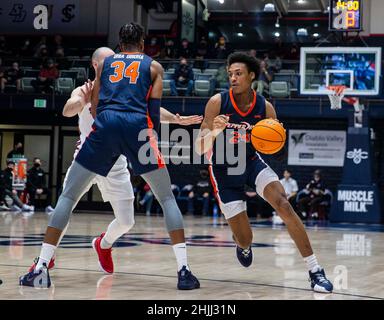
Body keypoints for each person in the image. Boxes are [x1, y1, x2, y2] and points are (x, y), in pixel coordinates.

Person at [20, 23, 202, 290]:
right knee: (166, 197)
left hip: (105, 130)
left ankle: (41, 268)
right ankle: (184, 272)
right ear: (142, 44)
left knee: (68, 198)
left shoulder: (106, 65)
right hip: (137, 127)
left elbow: (94, 108)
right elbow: (152, 112)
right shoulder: (153, 67)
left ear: (119, 43)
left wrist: (108, 124)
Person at [195, 52, 333, 293]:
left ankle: (315, 270)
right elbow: (199, 148)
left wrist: (277, 140)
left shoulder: (265, 107)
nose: (233, 78)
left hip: (250, 161)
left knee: (284, 205)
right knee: (245, 238)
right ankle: (243, 245)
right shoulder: (217, 102)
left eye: (238, 74)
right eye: (230, 74)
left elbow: (276, 151)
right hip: (223, 169)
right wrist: (214, 132)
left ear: (251, 76)